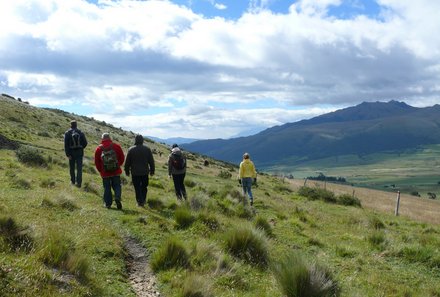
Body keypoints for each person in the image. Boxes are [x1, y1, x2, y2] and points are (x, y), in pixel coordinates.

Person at [94, 133, 125, 209]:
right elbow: (122, 157)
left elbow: (97, 162)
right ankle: (117, 197)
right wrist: (118, 165)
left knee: (107, 187)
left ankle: (108, 204)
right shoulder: (116, 146)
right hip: (116, 171)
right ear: (110, 138)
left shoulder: (99, 148)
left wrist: (100, 170)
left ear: (102, 139)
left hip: (105, 172)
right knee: (117, 185)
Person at [124, 135, 155, 207]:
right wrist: (152, 171)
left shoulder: (131, 149)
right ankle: (143, 200)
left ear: (135, 140)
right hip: (145, 172)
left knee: (137, 187)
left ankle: (139, 202)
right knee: (144, 187)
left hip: (135, 172)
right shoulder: (147, 149)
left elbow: (127, 162)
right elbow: (151, 161)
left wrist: (127, 171)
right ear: (142, 140)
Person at [64, 120, 87, 188]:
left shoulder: (67, 133)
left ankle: (73, 181)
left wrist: (67, 154)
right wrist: (81, 148)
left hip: (71, 152)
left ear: (70, 125)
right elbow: (85, 143)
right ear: (76, 125)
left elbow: (66, 145)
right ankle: (79, 183)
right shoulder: (80, 132)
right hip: (79, 153)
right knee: (79, 168)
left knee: (72, 168)